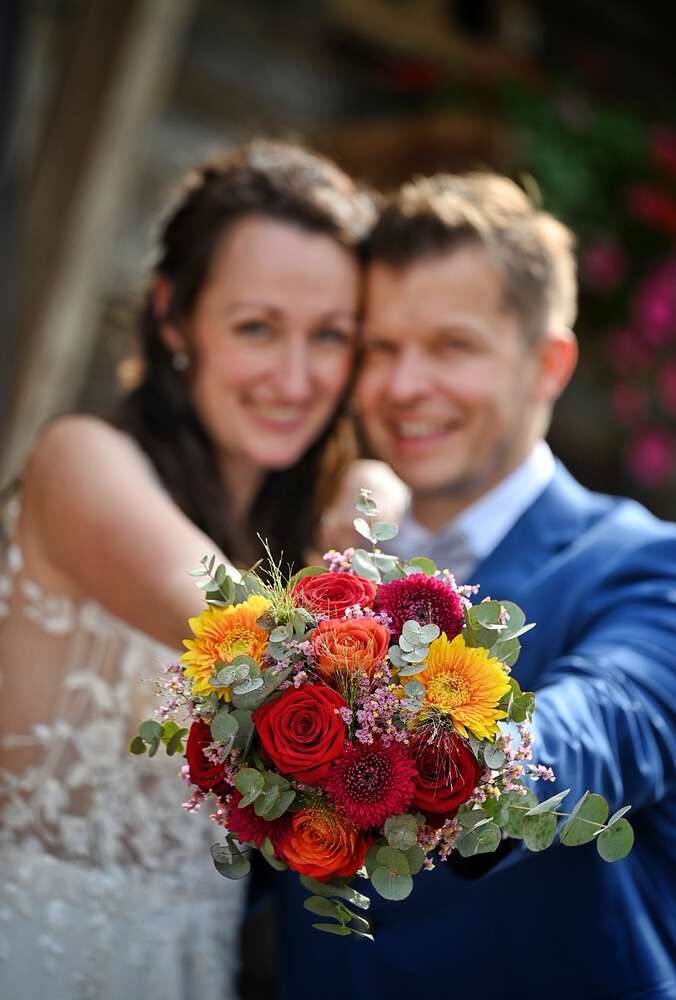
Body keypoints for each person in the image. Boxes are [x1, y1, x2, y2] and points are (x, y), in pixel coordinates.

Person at [0, 140, 405, 1000]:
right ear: (174, 317)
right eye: (256, 327)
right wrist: (369, 516)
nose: (296, 379)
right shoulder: (82, 464)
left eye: (330, 336)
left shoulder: (289, 538)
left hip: (185, 965)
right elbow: (268, 661)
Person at [274, 174, 676, 999]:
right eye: (379, 349)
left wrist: (468, 758)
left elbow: (602, 726)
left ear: (548, 364)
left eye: (452, 346)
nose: (404, 386)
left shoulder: (645, 565)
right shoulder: (314, 549)